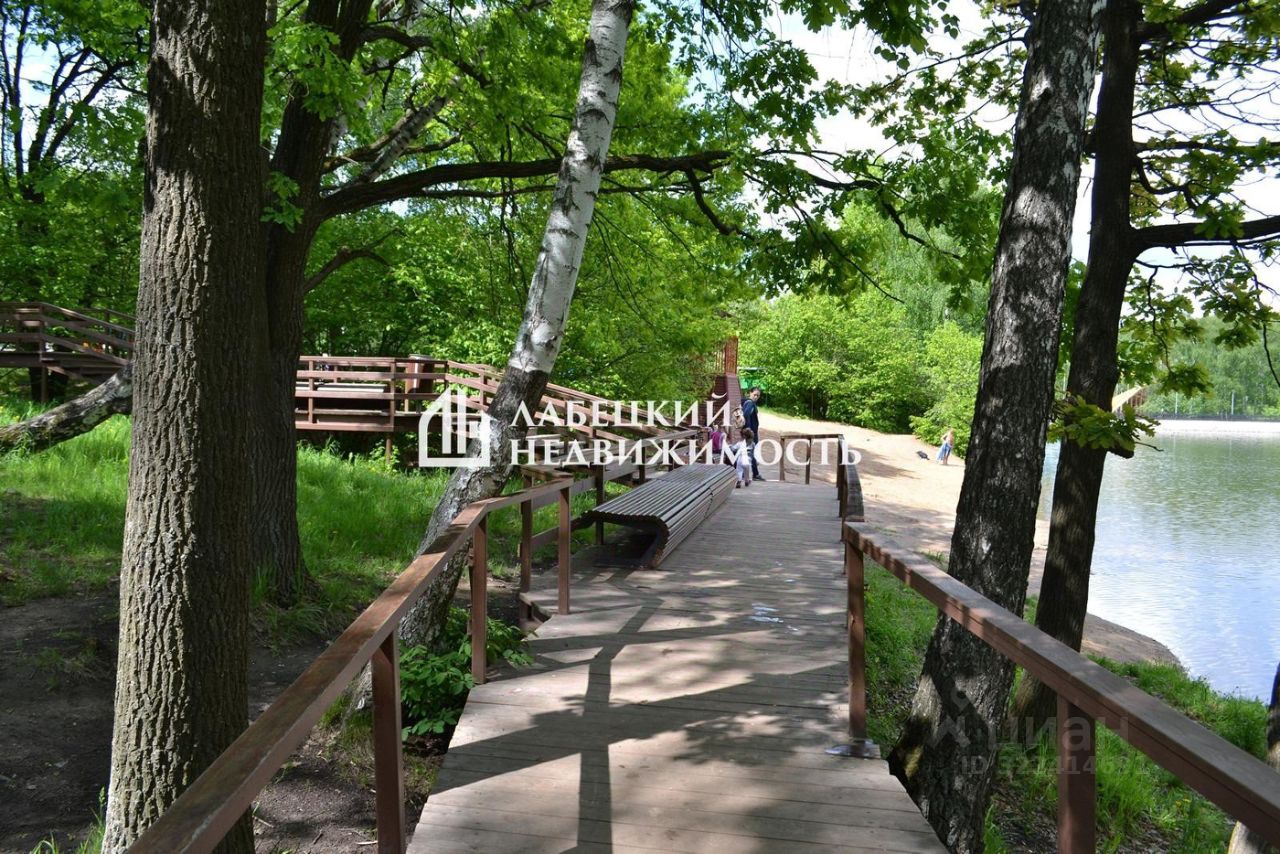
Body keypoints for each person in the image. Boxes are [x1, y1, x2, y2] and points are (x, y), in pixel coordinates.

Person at [741, 386, 763, 480]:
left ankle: (753, 474)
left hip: (749, 432)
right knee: (750, 453)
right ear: (750, 393)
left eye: (758, 395)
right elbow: (746, 415)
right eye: (755, 394)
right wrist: (749, 430)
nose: (756, 397)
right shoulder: (750, 403)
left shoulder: (748, 402)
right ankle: (751, 474)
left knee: (750, 453)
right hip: (750, 433)